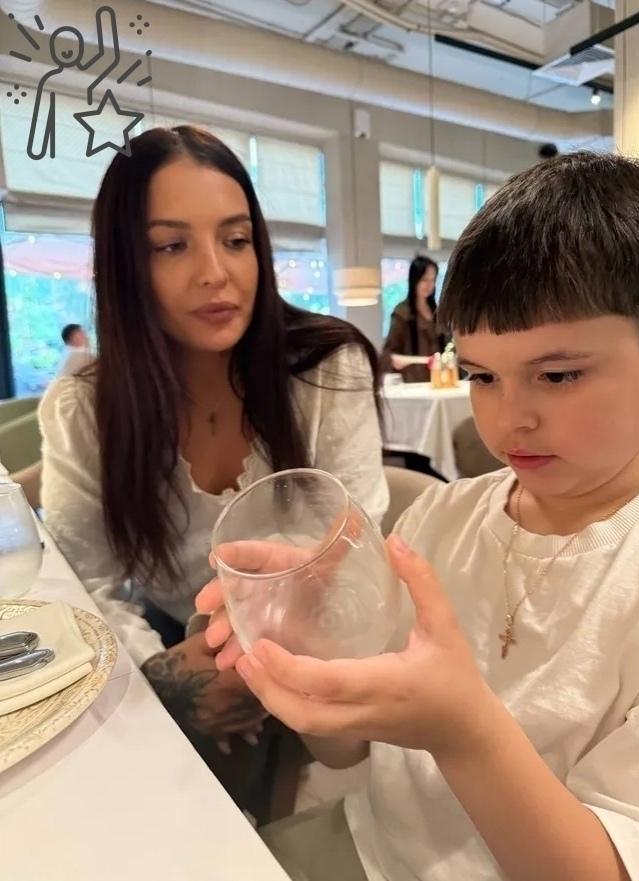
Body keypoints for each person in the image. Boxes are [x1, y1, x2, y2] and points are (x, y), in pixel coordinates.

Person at [198, 152, 639, 880]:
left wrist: (462, 730)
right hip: (367, 846)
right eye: (481, 375)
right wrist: (312, 639)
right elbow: (347, 751)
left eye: (557, 374)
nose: (509, 418)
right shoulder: (441, 518)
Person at [39, 125, 388, 815]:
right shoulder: (85, 408)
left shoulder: (324, 369)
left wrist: (246, 661)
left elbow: (350, 545)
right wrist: (169, 678)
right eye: (172, 246)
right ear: (126, 264)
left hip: (326, 658)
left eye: (235, 239)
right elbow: (86, 588)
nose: (215, 272)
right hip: (175, 662)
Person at [381, 255, 449, 383]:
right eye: (424, 280)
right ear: (414, 280)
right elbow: (389, 354)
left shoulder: (437, 311)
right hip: (413, 382)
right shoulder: (402, 312)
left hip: (439, 380)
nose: (429, 285)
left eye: (432, 280)